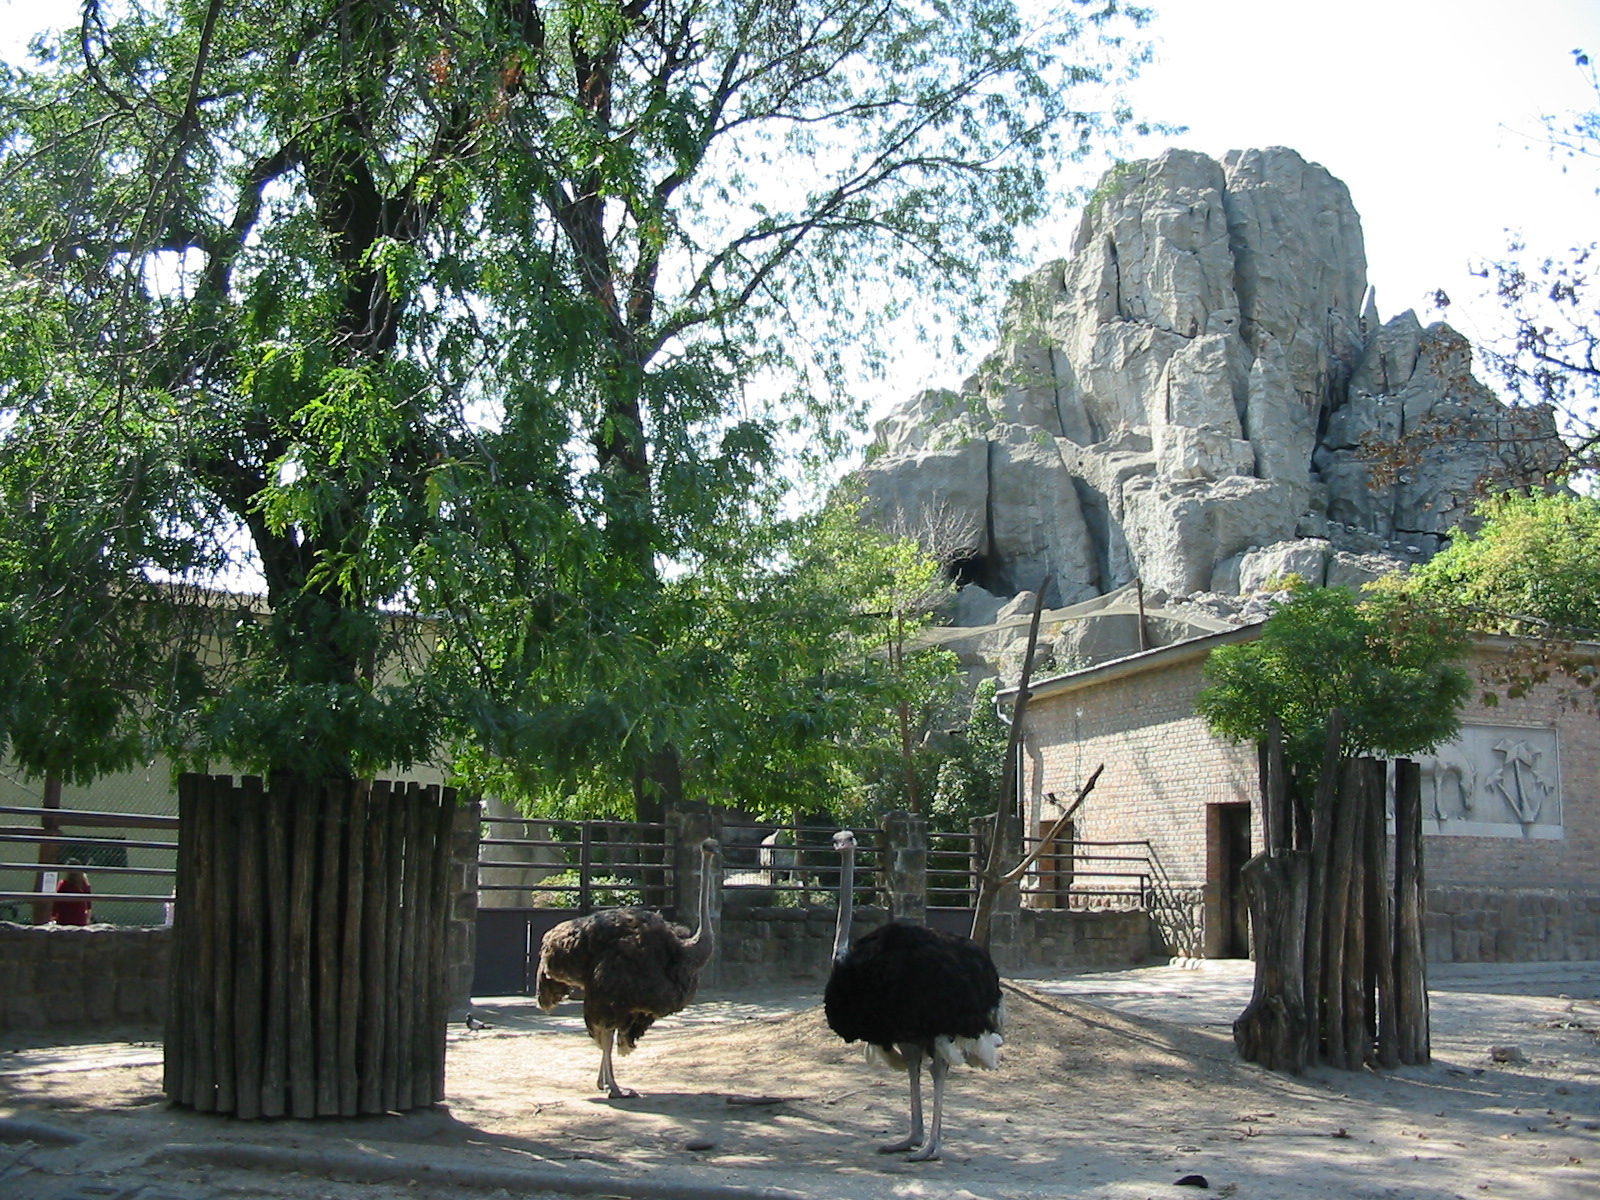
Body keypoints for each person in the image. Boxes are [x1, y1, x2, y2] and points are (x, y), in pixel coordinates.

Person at [52, 860, 93, 926]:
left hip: (64, 920)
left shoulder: (64, 885)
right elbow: (89, 906)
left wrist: (53, 917)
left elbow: (56, 904)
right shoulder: (84, 885)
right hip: (80, 921)